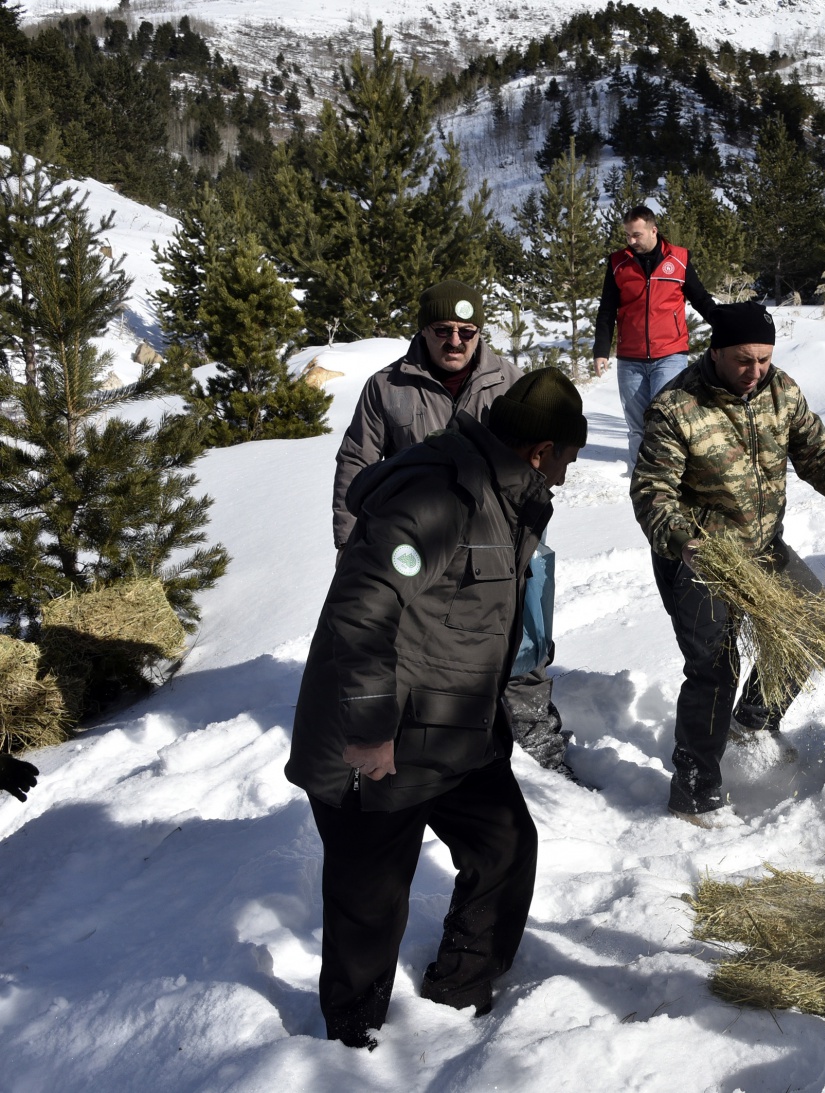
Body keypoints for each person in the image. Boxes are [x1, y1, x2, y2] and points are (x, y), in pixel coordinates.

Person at [286, 370, 587, 1049]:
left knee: (506, 844)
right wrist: (367, 731)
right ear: (540, 450)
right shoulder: (438, 495)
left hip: (451, 730)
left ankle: (458, 991)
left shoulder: (503, 495)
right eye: (566, 459)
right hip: (378, 739)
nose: (567, 478)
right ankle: (350, 1044)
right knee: (370, 907)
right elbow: (360, 612)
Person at [630, 302, 825, 827]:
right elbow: (651, 493)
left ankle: (753, 724)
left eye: (764, 360)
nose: (755, 372)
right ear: (716, 352)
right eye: (743, 360)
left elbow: (820, 453)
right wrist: (683, 539)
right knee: (714, 668)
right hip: (700, 557)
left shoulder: (781, 390)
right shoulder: (676, 406)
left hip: (764, 547)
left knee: (810, 631)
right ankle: (695, 790)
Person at [332, 280, 571, 777]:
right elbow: (357, 462)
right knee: (421, 645)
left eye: (467, 331)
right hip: (423, 545)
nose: (456, 342)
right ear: (423, 330)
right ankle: (418, 737)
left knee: (524, 633)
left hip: (502, 541)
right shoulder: (388, 386)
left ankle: (537, 742)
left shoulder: (508, 379)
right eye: (443, 330)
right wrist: (349, 543)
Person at [592, 206, 717, 467]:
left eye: (636, 235)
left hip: (670, 354)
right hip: (630, 359)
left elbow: (701, 300)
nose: (631, 241)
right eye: (627, 235)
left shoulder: (679, 260)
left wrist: (727, 326)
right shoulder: (618, 263)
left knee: (666, 419)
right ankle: (641, 479)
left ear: (653, 230)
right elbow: (607, 310)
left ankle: (672, 474)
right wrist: (601, 351)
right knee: (637, 425)